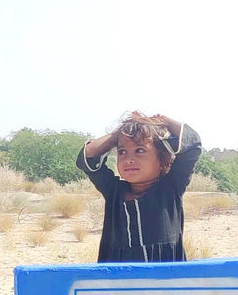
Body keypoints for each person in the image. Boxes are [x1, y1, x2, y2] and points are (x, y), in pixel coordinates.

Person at [76, 111, 202, 263]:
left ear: (163, 159)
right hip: (118, 282)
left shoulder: (171, 187)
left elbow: (193, 144)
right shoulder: (113, 191)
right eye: (122, 152)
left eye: (140, 150)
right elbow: (87, 158)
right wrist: (119, 134)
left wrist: (162, 121)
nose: (129, 159)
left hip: (164, 281)